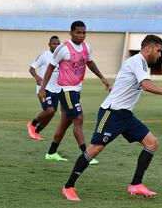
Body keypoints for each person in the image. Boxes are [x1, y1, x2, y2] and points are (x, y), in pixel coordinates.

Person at [61, 35, 162, 201]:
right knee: (94, 150)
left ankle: (136, 184)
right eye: (158, 51)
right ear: (148, 48)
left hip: (125, 115)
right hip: (111, 113)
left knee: (151, 143)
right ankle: (68, 187)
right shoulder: (137, 61)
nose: (159, 55)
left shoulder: (140, 63)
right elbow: (146, 85)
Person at [39, 21, 111, 164]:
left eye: (84, 32)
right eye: (78, 32)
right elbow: (50, 68)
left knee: (65, 123)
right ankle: (86, 154)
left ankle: (51, 152)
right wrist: (42, 88)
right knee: (78, 118)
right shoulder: (63, 48)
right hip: (65, 89)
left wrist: (102, 78)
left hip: (76, 89)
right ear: (71, 33)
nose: (81, 35)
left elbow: (89, 63)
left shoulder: (86, 48)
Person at [27, 36, 61, 140]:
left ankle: (37, 132)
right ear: (49, 44)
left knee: (51, 114)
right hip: (43, 89)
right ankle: (32, 124)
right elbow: (31, 68)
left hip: (56, 89)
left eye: (58, 44)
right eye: (54, 44)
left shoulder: (61, 56)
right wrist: (37, 77)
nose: (56, 46)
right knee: (49, 110)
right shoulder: (44, 55)